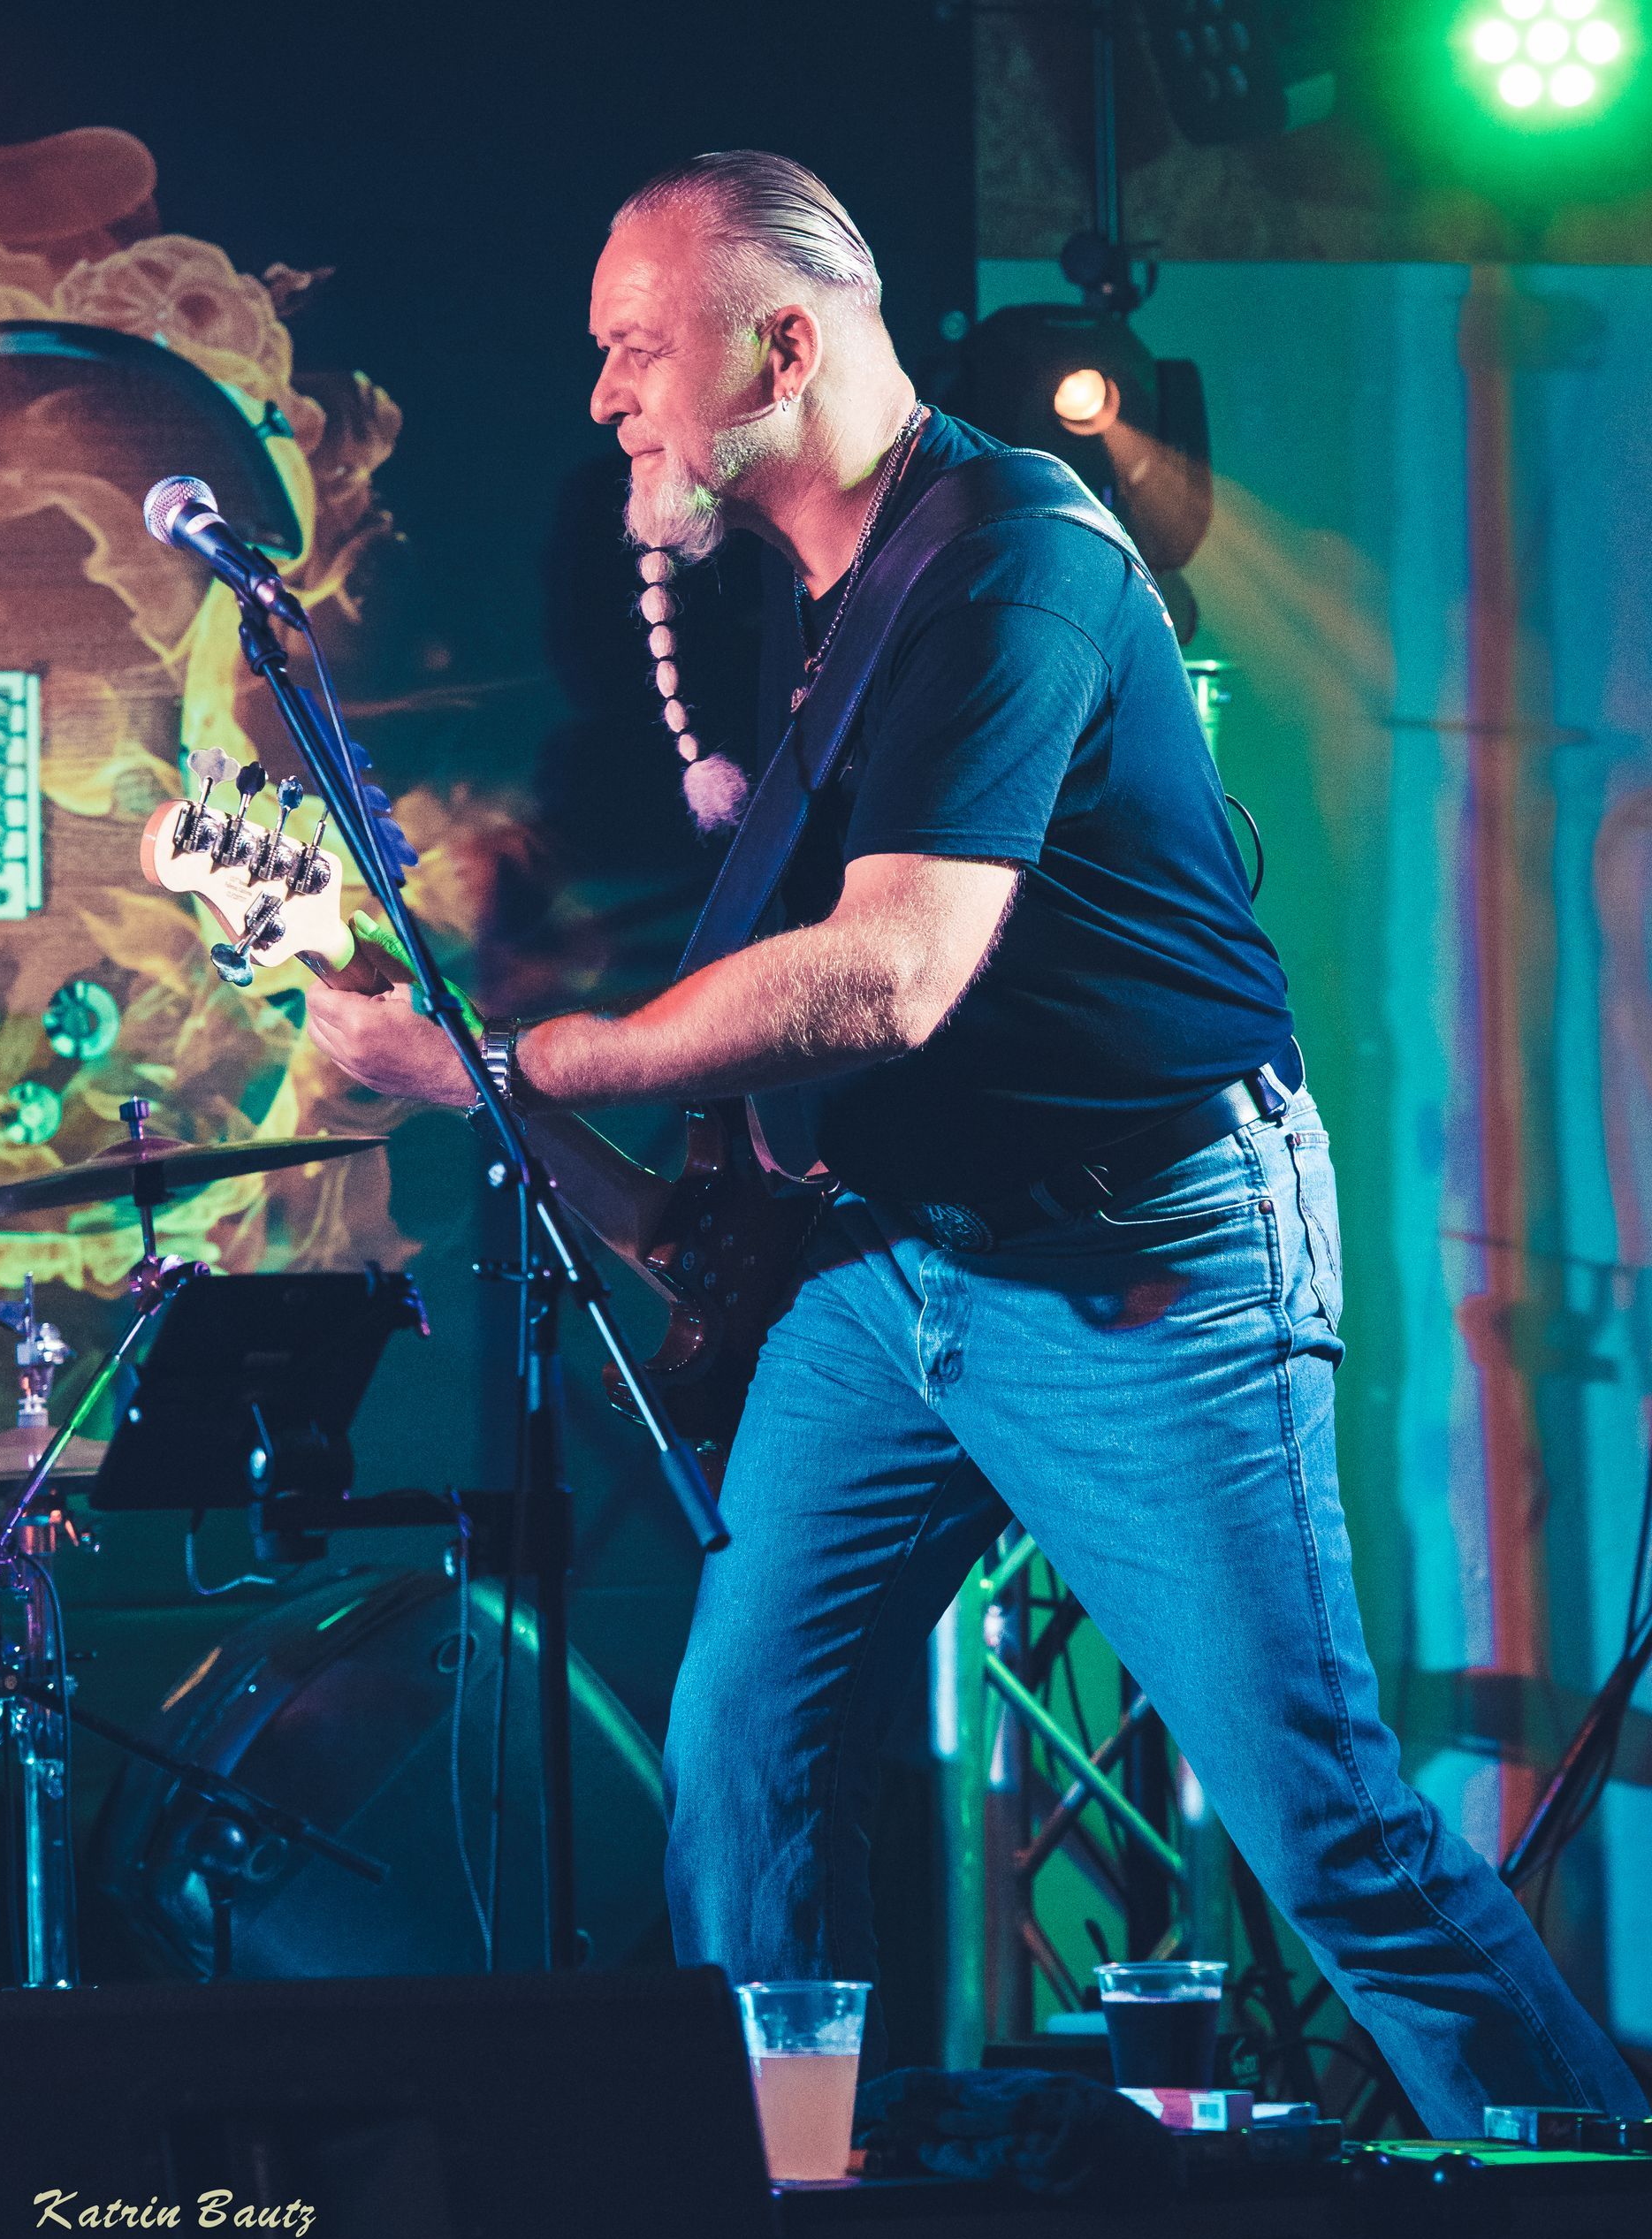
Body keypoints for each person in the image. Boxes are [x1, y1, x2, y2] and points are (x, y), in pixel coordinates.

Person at [306, 150, 1648, 2136]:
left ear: (784, 346)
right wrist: (476, 1068)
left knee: (1323, 1822)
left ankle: (1589, 2196)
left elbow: (897, 971)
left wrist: (521, 1055)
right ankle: (786, 2188)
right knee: (743, 1760)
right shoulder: (824, 597)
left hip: (1143, 1263)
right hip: (897, 1267)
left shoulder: (1018, 557)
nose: (604, 394)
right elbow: (766, 1100)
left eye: (635, 345)